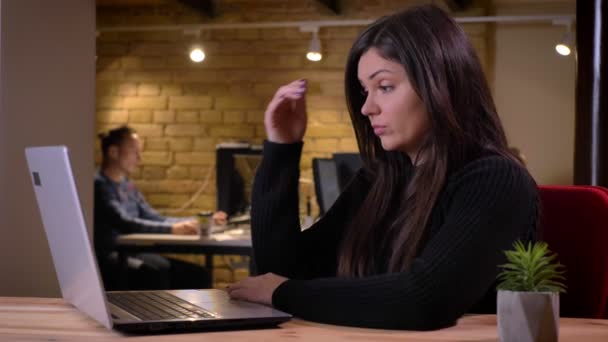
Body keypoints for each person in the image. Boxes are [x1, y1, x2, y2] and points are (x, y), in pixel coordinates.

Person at [226, 5, 539, 330]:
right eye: (365, 91)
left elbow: (425, 300)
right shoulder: (379, 179)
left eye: (385, 87)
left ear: (440, 84)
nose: (366, 107)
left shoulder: (496, 180)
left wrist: (284, 293)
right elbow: (284, 268)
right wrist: (282, 149)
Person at [94, 126, 212, 291]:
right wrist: (172, 229)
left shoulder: (128, 186)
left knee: (199, 275)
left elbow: (154, 217)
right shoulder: (99, 185)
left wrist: (195, 222)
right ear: (113, 152)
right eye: (134, 152)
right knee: (156, 272)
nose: (139, 158)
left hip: (134, 252)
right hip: (113, 256)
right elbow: (125, 223)